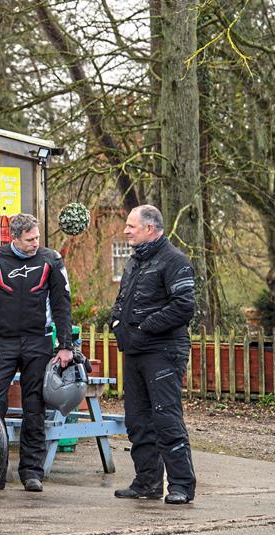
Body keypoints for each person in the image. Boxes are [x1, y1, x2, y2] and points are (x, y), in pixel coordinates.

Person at [0, 213, 73, 492]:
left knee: (35, 406)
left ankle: (32, 472)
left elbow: (62, 303)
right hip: (1, 341)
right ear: (14, 238)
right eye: (30, 239)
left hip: (37, 341)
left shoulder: (51, 260)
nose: (35, 243)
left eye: (37, 238)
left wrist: (65, 345)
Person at [110, 205, 196, 505]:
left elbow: (184, 306)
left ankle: (182, 485)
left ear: (150, 228)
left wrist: (145, 327)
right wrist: (117, 322)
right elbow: (124, 299)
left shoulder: (174, 261)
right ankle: (147, 483)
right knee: (137, 420)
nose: (126, 230)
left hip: (163, 351)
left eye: (132, 225)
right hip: (135, 351)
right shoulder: (135, 262)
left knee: (166, 419)